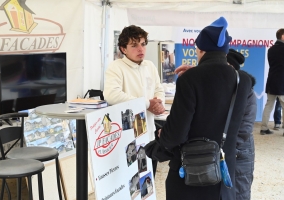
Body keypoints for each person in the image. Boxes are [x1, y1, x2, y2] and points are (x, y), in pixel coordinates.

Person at [153, 16, 253, 200]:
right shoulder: (243, 80)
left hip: (190, 175)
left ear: (200, 49)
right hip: (224, 173)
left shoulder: (189, 79)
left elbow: (176, 134)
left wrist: (163, 136)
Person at [103, 25, 165, 177]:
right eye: (134, 45)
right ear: (123, 49)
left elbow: (159, 89)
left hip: (149, 133)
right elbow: (111, 94)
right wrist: (147, 104)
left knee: (148, 179)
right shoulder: (116, 67)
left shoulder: (149, 66)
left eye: (143, 44)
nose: (140, 49)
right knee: (132, 181)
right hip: (128, 134)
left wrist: (159, 102)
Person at [226, 49, 256, 200]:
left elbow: (245, 128)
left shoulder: (246, 91)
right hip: (223, 150)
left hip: (239, 150)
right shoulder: (217, 89)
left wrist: (226, 147)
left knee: (239, 191)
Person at [260, 28, 284, 135]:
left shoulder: (271, 49)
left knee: (269, 105)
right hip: (282, 82)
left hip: (272, 81)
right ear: (282, 36)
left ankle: (264, 128)